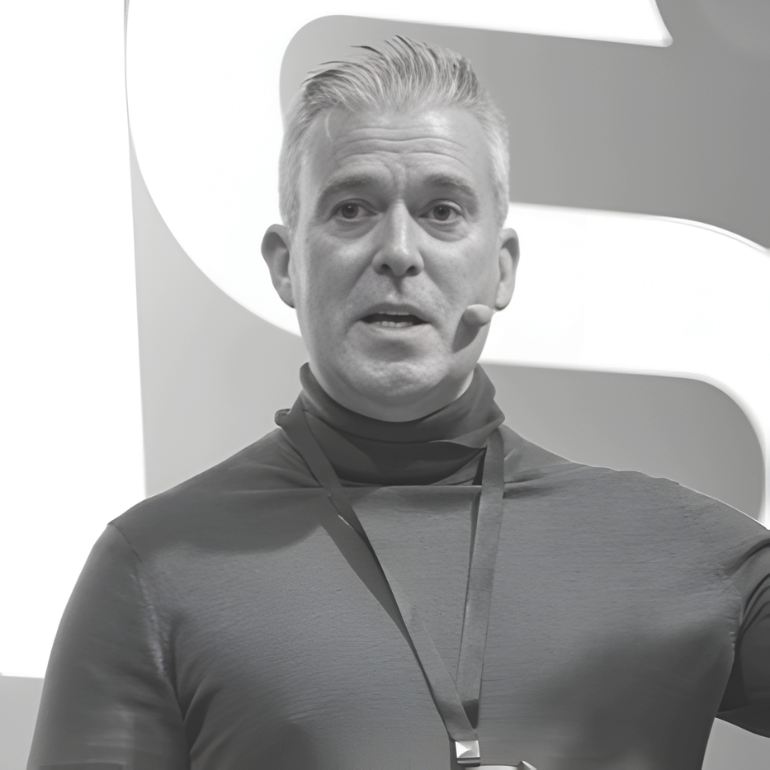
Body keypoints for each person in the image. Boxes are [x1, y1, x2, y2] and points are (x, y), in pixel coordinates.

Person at [28, 37, 770, 770]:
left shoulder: (690, 558)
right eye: (352, 208)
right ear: (287, 266)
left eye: (443, 211)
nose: (399, 250)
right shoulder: (156, 569)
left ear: (500, 270)